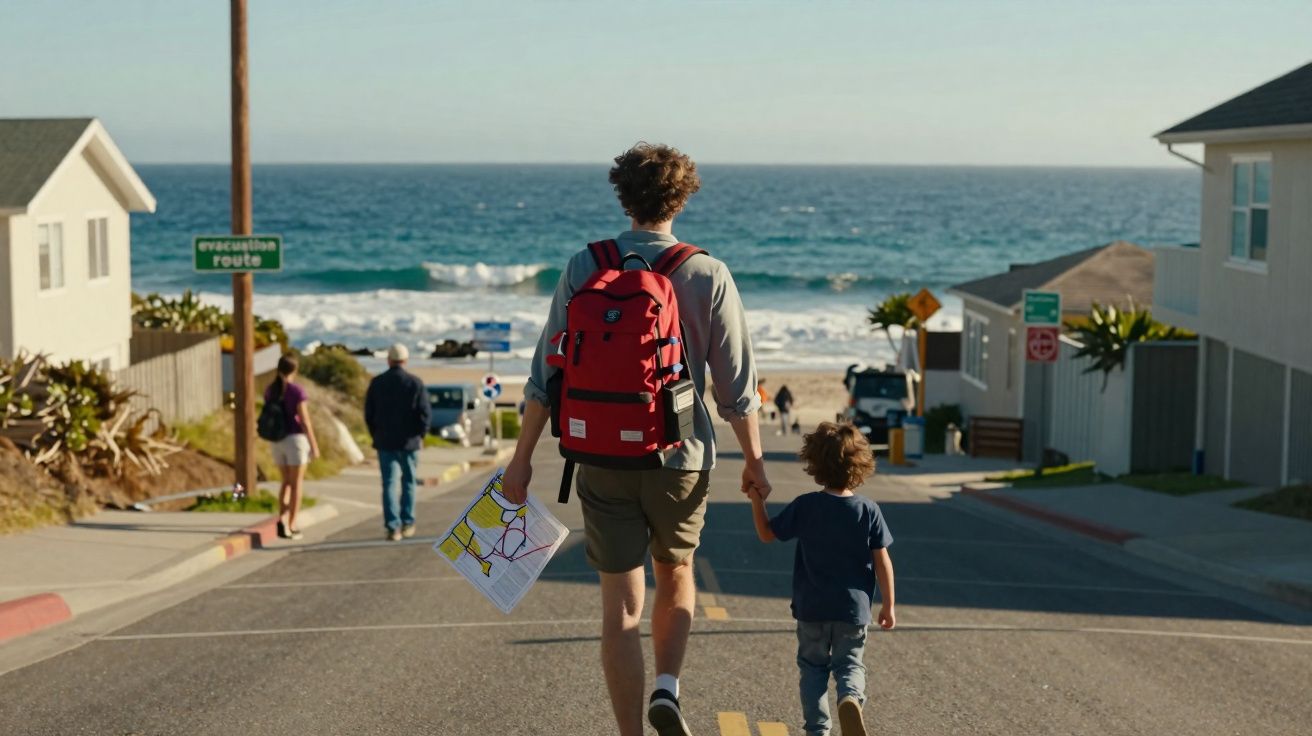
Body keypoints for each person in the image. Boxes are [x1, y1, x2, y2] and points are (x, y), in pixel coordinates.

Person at [501, 142, 769, 736]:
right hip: (681, 458)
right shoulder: (707, 272)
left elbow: (546, 375)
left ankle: (629, 734)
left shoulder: (584, 265)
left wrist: (520, 462)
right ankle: (667, 689)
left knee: (619, 607)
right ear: (683, 196)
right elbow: (737, 390)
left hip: (598, 455)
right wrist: (754, 461)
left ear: (623, 196)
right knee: (676, 573)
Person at [746, 422, 896, 736]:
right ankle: (850, 698)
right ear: (861, 464)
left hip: (812, 607)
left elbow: (766, 534)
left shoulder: (807, 505)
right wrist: (889, 606)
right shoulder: (868, 510)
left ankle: (817, 730)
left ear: (815, 463)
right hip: (853, 610)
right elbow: (883, 562)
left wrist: (756, 499)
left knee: (813, 668)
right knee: (850, 665)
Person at [364, 343, 431, 542]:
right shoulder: (415, 383)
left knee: (389, 485)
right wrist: (421, 435)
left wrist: (375, 435)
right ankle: (408, 522)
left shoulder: (377, 383)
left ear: (389, 360)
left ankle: (393, 527)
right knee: (409, 483)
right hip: (409, 442)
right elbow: (425, 414)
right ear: (405, 360)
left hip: (385, 441)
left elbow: (369, 414)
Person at [265, 354, 319, 540]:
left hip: (276, 441)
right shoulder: (296, 391)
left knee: (285, 482)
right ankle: (292, 524)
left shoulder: (270, 390)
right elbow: (304, 420)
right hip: (295, 440)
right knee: (296, 484)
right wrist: (314, 444)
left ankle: (282, 517)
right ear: (294, 370)